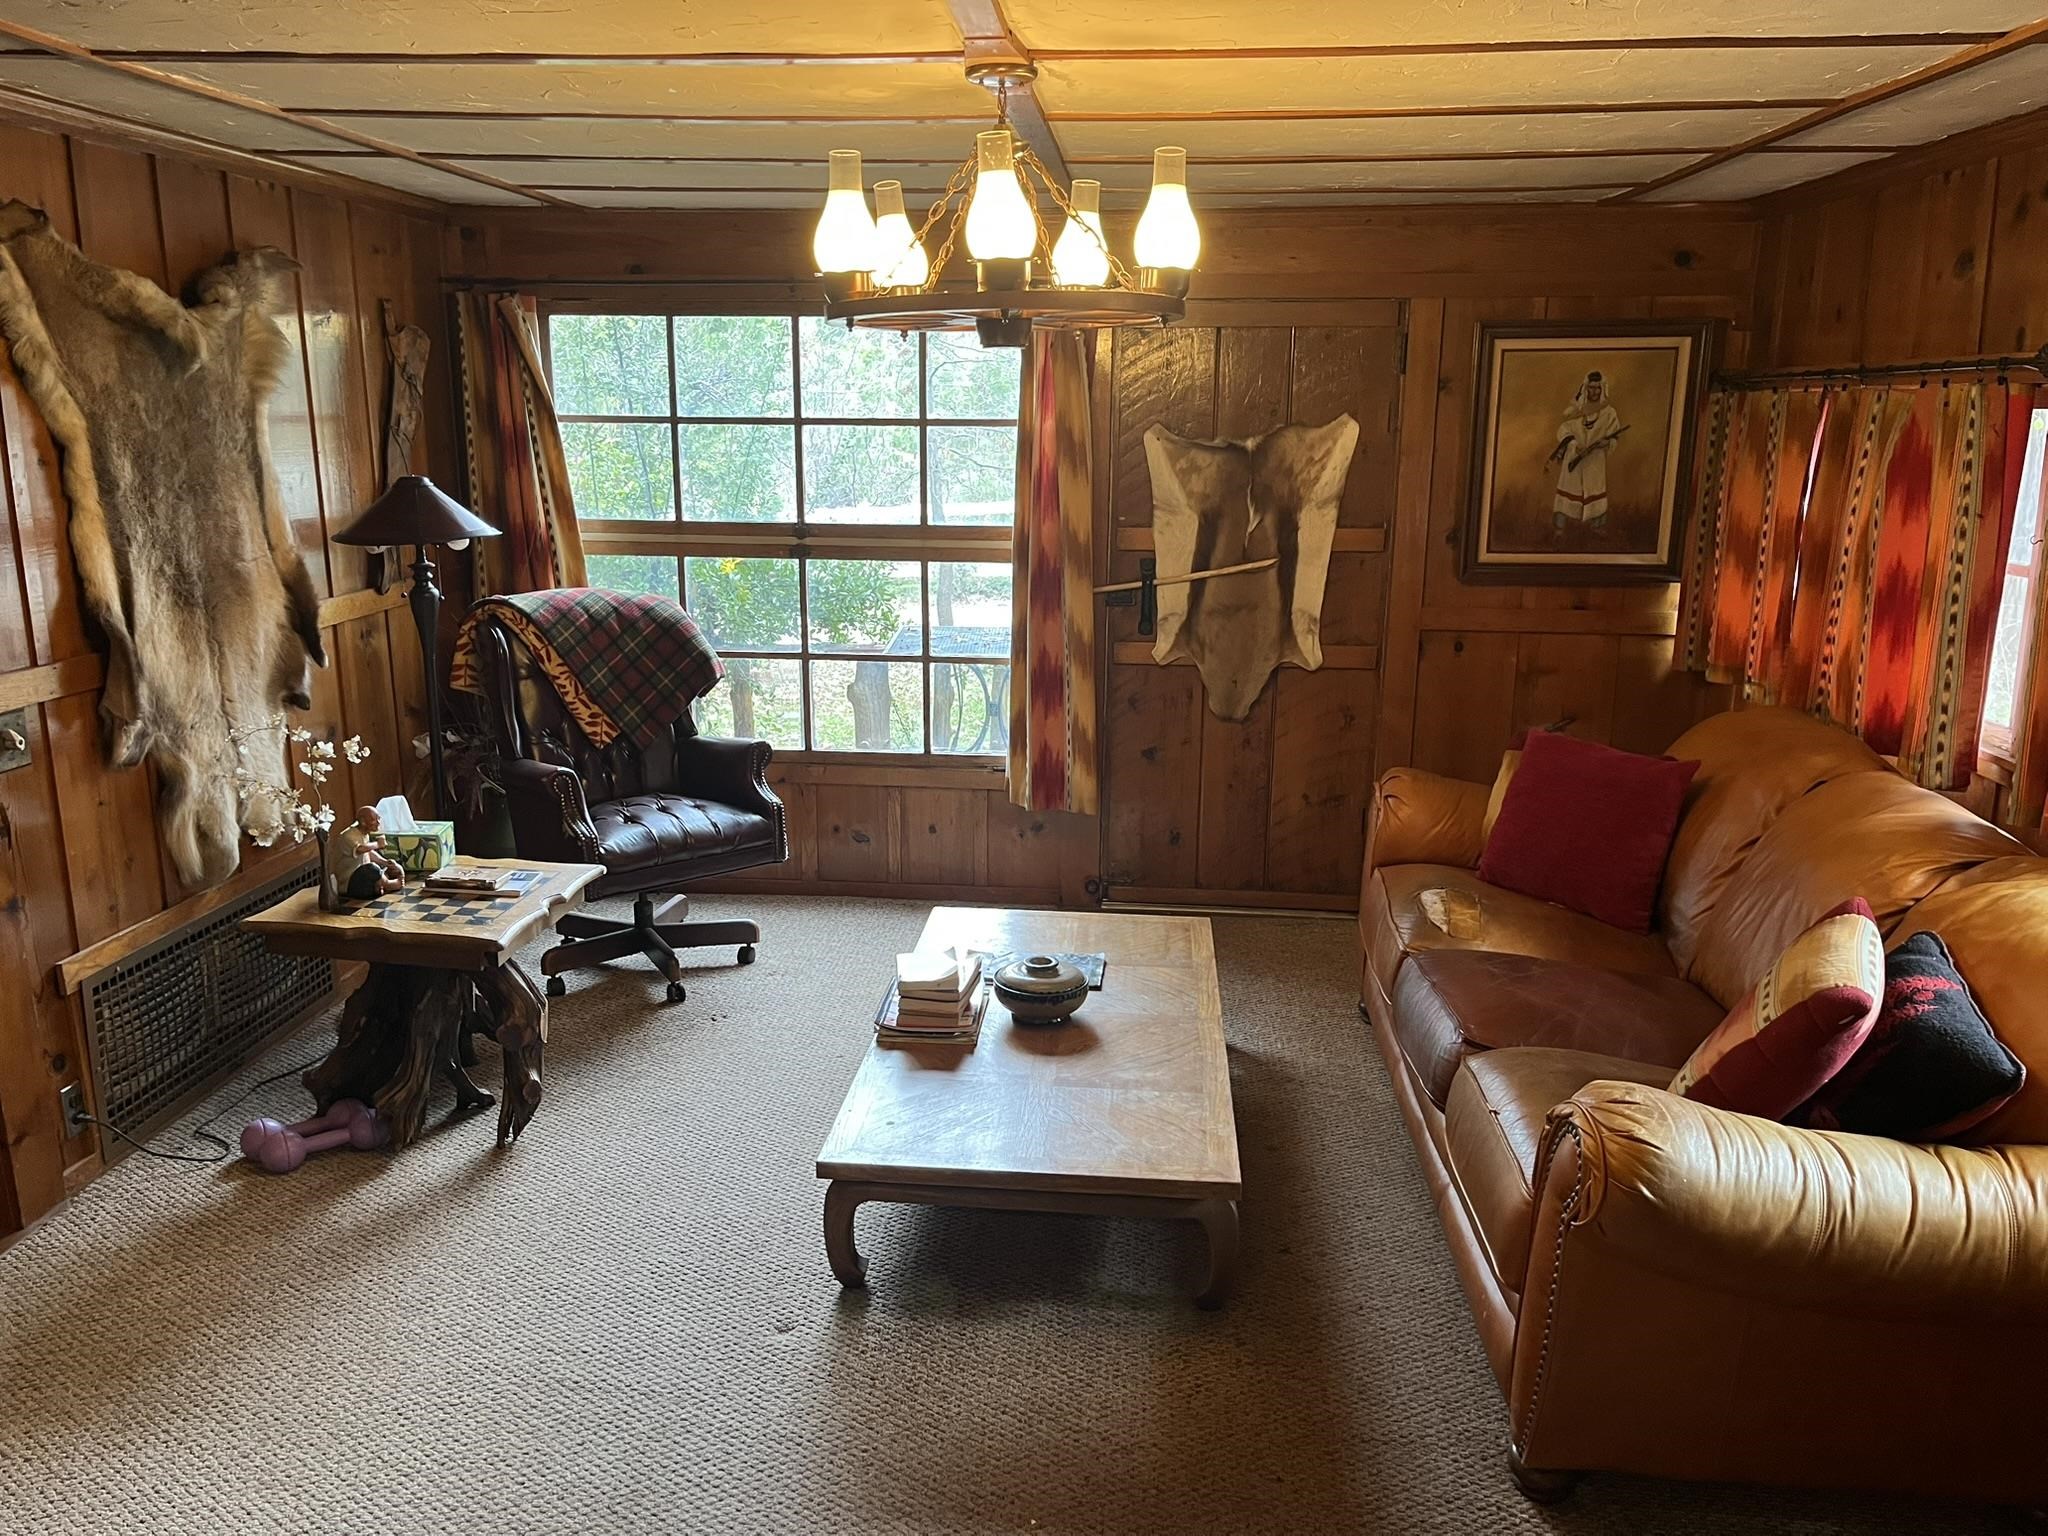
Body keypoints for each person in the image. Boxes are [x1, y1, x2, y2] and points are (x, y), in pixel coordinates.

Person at [1547, 371, 1626, 535]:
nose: (1594, 392)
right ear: (1586, 388)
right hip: (1574, 455)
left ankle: (1596, 527)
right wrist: (1574, 444)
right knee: (1568, 488)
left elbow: (1614, 435)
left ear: (1602, 389)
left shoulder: (1609, 413)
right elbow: (1563, 429)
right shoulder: (1575, 410)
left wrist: (1607, 443)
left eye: (1598, 388)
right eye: (1591, 388)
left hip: (1595, 459)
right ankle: (1559, 529)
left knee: (1595, 489)